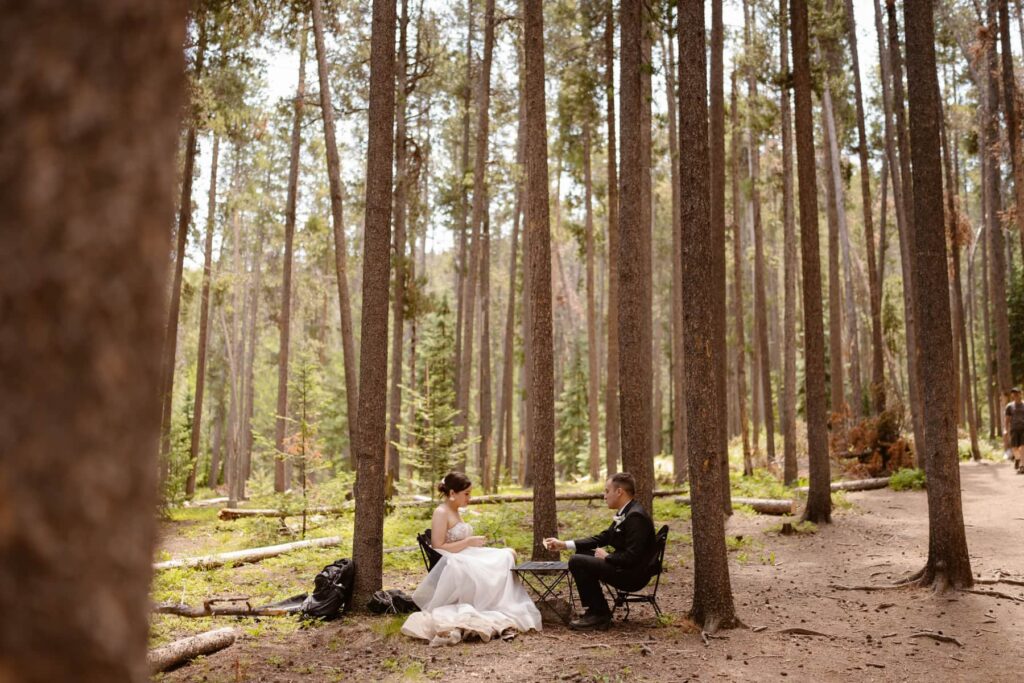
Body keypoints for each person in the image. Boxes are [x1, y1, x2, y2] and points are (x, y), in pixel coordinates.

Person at [401, 472, 542, 645]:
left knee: (508, 553)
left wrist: (472, 543)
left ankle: (502, 600)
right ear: (452, 494)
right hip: (454, 559)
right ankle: (492, 604)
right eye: (466, 494)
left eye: (470, 493)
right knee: (503, 557)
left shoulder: (456, 511)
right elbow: (438, 546)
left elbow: (458, 540)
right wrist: (468, 541)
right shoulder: (441, 512)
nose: (469, 497)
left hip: (465, 552)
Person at [543, 472, 656, 630]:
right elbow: (602, 538)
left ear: (619, 492)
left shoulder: (635, 516)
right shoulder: (627, 512)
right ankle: (597, 610)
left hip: (633, 574)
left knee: (577, 561)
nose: (604, 496)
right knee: (581, 556)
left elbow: (633, 557)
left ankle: (599, 615)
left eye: (607, 491)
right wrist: (564, 544)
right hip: (625, 567)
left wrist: (608, 557)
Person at [1004, 388, 1024, 474]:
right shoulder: (1009, 406)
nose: (1015, 395)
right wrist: (1005, 429)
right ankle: (1017, 459)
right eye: (1013, 394)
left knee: (1023, 447)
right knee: (1015, 448)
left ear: (1021, 394)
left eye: (1017, 393)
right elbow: (1007, 419)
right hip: (1014, 429)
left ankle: (1022, 466)